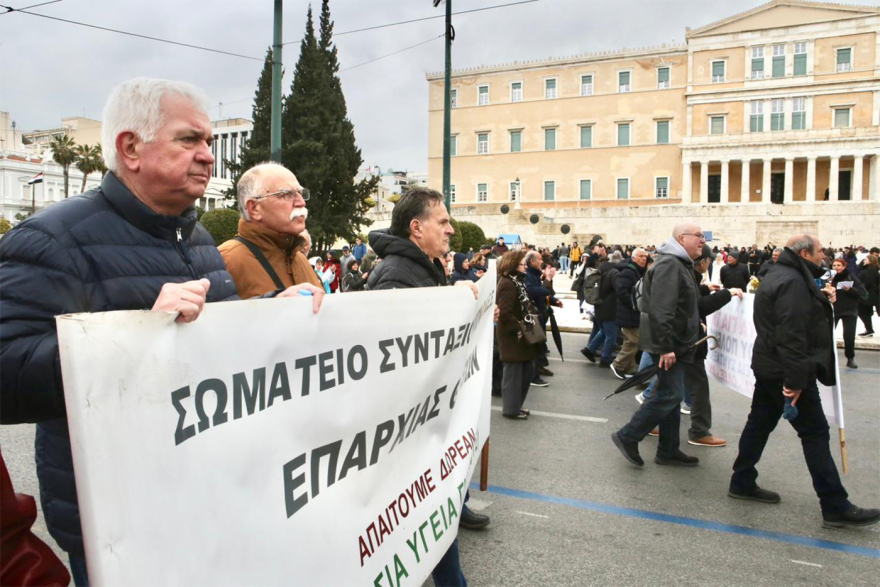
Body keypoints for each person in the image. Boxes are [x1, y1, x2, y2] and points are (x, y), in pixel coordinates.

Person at [0, 78, 320, 586]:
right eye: (189, 140)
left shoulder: (195, 238)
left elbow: (214, 343)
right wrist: (137, 330)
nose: (208, 156)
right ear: (130, 147)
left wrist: (264, 311)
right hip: (118, 518)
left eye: (210, 142)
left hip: (202, 497)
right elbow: (7, 376)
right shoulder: (50, 240)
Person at [367, 186, 490, 550]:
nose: (451, 229)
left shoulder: (426, 267)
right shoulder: (396, 274)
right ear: (417, 229)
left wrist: (465, 303)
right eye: (444, 221)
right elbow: (389, 356)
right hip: (408, 420)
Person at [729, 235, 879, 529]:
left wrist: (822, 299)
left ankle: (742, 480)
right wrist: (795, 381)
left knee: (759, 423)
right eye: (821, 251)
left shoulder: (783, 275)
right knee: (814, 433)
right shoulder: (794, 281)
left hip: (771, 365)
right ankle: (834, 504)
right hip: (787, 369)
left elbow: (792, 317)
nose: (825, 255)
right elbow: (791, 332)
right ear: (806, 253)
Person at [611, 223, 704, 469]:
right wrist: (665, 347)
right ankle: (628, 435)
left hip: (679, 342)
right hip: (670, 344)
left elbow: (683, 306)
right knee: (670, 394)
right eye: (699, 236)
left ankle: (668, 449)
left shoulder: (679, 264)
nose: (703, 240)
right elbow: (662, 310)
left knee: (671, 397)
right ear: (682, 239)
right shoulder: (670, 265)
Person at [219, 162, 322, 298]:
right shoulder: (225, 261)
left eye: (300, 193)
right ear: (254, 208)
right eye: (287, 194)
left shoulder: (299, 258)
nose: (301, 202)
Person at [687, 245, 741, 447]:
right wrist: (727, 295)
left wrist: (704, 289)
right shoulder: (687, 274)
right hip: (689, 341)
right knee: (698, 389)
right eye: (709, 261)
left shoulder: (684, 273)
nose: (709, 264)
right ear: (702, 263)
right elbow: (698, 307)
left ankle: (644, 424)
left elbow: (692, 299)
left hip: (682, 341)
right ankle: (699, 431)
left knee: (667, 386)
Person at [495, 250, 540, 419]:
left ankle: (517, 406)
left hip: (522, 334)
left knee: (527, 369)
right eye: (522, 264)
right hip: (513, 335)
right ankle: (511, 409)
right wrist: (520, 329)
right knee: (513, 374)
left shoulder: (518, 282)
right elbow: (504, 312)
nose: (525, 267)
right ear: (512, 265)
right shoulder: (507, 283)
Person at [611, 248, 648, 378]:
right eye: (641, 256)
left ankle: (631, 368)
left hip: (631, 313)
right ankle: (618, 365)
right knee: (635, 340)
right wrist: (633, 304)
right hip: (628, 312)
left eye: (645, 256)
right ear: (633, 258)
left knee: (630, 340)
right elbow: (621, 290)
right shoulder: (629, 272)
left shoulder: (637, 271)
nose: (644, 258)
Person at [523, 251, 559, 385]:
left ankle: (539, 368)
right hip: (533, 315)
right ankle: (533, 376)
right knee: (535, 345)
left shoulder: (536, 275)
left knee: (540, 345)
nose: (541, 261)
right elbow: (533, 291)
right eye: (539, 259)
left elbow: (545, 293)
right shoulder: (528, 276)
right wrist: (548, 280)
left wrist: (554, 301)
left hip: (540, 313)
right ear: (532, 262)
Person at [582, 251, 622, 368]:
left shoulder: (600, 270)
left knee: (604, 331)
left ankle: (590, 349)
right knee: (611, 335)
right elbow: (618, 288)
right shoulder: (613, 272)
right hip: (610, 308)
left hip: (599, 306)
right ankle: (605, 358)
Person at [829, 257, 867, 368]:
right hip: (834, 309)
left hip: (849, 310)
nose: (836, 268)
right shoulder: (830, 278)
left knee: (849, 336)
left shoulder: (851, 277)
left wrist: (849, 290)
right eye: (834, 265)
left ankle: (850, 358)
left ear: (844, 266)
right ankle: (828, 358)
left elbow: (862, 292)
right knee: (828, 334)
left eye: (838, 265)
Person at [857, 252, 879, 337]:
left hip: (868, 295)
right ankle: (869, 329)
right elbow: (859, 268)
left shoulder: (870, 270)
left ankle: (869, 329)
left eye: (866, 259)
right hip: (868, 294)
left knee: (862, 312)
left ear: (870, 261)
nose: (864, 261)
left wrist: (860, 288)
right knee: (866, 312)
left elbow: (868, 282)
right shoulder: (869, 268)